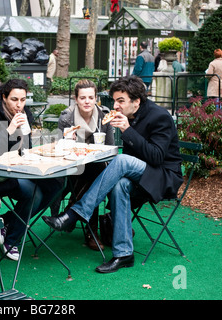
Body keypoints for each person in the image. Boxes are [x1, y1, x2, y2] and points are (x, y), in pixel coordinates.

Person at [43, 75, 184, 274]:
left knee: (121, 159)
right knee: (119, 185)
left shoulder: (159, 116)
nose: (115, 106)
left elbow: (157, 157)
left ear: (136, 102)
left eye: (121, 101)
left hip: (163, 176)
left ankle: (75, 213)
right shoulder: (129, 116)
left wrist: (127, 130)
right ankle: (124, 253)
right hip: (140, 175)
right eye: (115, 100)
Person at [0, 78, 61, 261]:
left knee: (57, 184)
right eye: (14, 100)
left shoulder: (25, 114)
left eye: (23, 100)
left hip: (22, 170)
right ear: (4, 97)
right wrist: (9, 129)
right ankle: (11, 241)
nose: (19, 105)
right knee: (35, 194)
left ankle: (7, 221)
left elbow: (27, 148)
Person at [57, 79, 115, 251]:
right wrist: (67, 141)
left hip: (98, 167)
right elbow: (60, 151)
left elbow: (111, 149)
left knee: (96, 170)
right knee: (93, 174)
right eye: (83, 98)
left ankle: (72, 211)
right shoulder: (67, 117)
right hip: (73, 168)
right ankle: (90, 231)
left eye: (91, 97)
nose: (87, 101)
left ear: (96, 98)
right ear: (76, 99)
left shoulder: (104, 115)